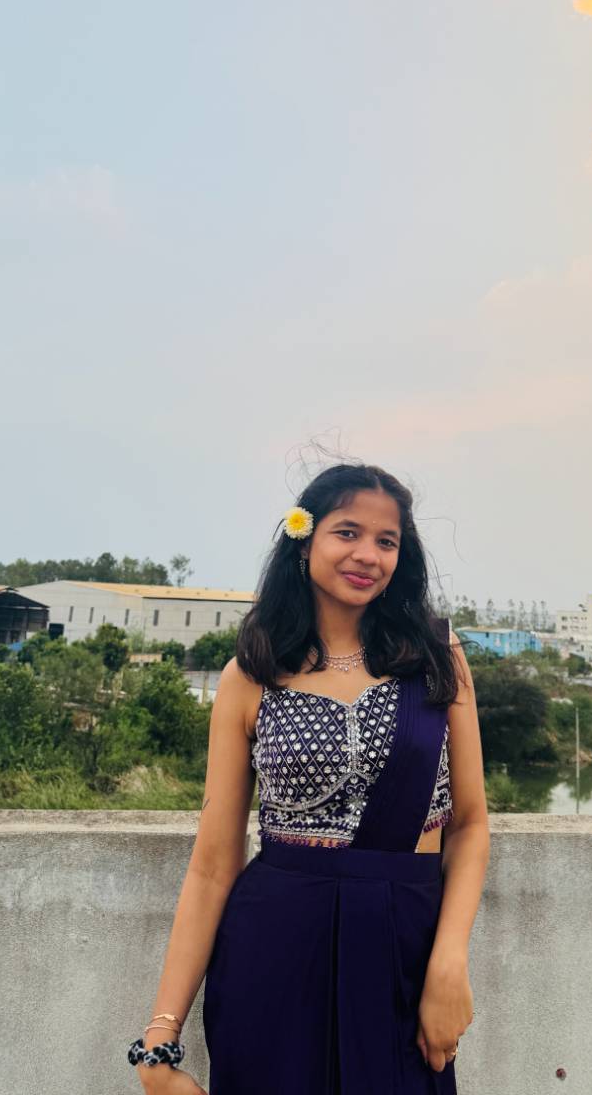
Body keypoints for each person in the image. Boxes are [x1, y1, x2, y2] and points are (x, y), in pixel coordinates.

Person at [129, 462, 490, 1094]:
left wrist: (449, 963)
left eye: (387, 541)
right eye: (347, 532)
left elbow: (469, 824)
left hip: (404, 951)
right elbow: (213, 866)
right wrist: (160, 1038)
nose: (367, 555)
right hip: (272, 949)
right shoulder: (252, 675)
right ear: (306, 538)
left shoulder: (438, 656)